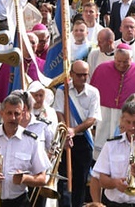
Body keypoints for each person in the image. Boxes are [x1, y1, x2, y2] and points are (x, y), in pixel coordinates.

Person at [0, 94, 49, 207]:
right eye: (9, 113)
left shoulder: (31, 140)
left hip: (17, 202)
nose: (12, 118)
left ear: (22, 115)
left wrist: (24, 178)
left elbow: (42, 178)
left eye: (17, 114)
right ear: (1, 113)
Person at [89, 45, 135, 157]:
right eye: (118, 61)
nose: (121, 65)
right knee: (102, 148)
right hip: (105, 113)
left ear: (131, 59)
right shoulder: (102, 69)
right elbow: (92, 97)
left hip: (128, 115)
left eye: (125, 62)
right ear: (114, 58)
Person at [53, 60, 100, 207]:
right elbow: (59, 112)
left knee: (81, 180)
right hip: (66, 140)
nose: (82, 78)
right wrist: (66, 130)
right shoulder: (63, 90)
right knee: (64, 179)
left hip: (83, 140)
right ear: (71, 74)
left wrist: (75, 130)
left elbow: (92, 118)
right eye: (79, 75)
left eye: (85, 75)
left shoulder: (93, 92)